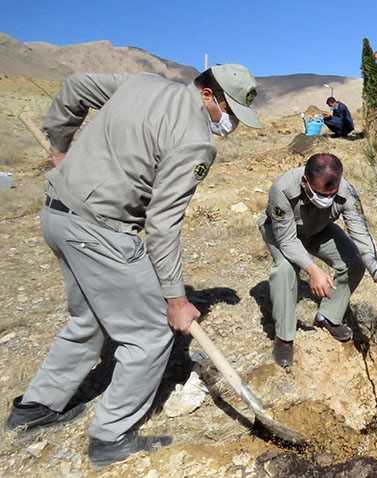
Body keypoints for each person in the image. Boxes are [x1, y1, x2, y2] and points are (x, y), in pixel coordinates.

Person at [5, 65, 261, 467]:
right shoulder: (195, 141)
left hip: (57, 215)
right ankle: (112, 437)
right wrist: (175, 300)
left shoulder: (141, 84)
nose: (228, 124)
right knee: (151, 332)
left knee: (90, 317)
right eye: (228, 111)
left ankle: (37, 405)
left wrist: (60, 146)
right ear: (209, 94)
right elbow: (162, 224)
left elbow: (76, 85)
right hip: (100, 230)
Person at [257, 153, 377, 368]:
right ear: (306, 181)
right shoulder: (282, 189)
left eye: (331, 194)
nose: (326, 199)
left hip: (318, 228)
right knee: (285, 269)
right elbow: (286, 241)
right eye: (320, 193)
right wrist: (313, 270)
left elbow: (361, 236)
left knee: (353, 261)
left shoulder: (347, 192)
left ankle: (328, 316)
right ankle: (284, 338)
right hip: (282, 232)